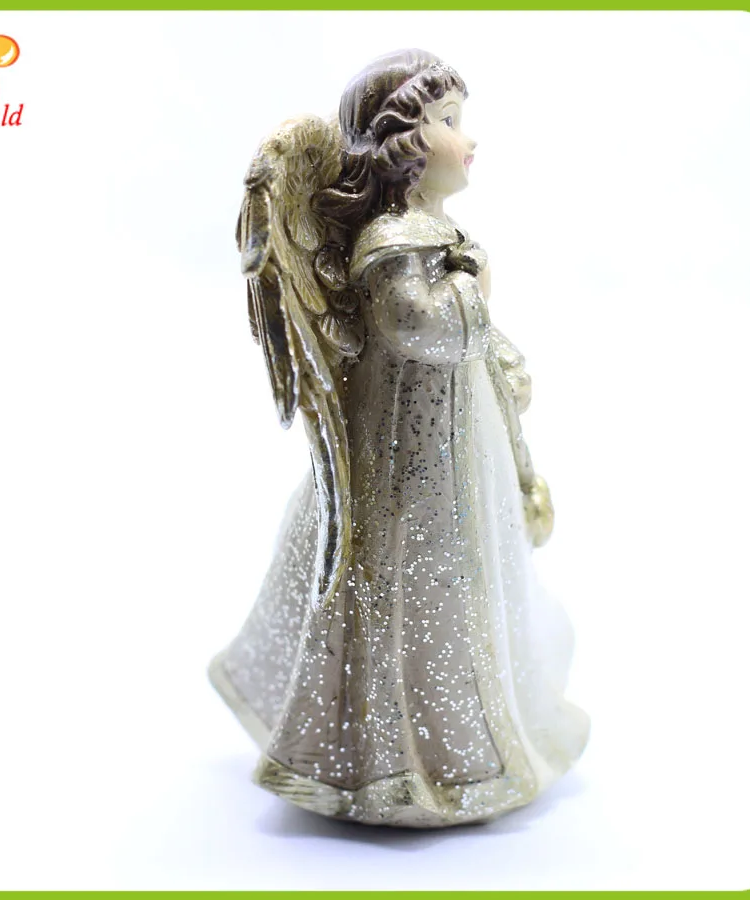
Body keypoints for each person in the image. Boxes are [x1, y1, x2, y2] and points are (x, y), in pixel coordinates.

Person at [209, 48, 589, 828]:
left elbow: (467, 338)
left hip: (453, 445)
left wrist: (502, 355)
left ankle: (461, 745)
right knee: (415, 583)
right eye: (449, 121)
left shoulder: (434, 231)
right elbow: (418, 325)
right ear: (404, 144)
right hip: (408, 463)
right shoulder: (390, 242)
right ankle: (393, 763)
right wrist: (471, 284)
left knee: (458, 586)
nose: (468, 139)